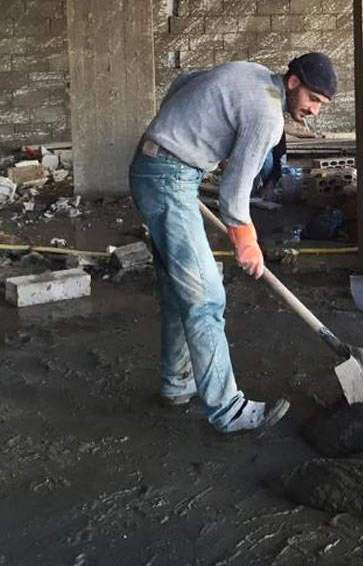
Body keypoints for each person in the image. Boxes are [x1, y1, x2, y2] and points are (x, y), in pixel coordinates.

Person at [129, 54, 337, 433]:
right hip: (170, 178)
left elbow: (183, 83)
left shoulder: (252, 72)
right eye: (313, 99)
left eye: (321, 104)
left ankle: (178, 383)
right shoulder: (268, 117)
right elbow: (235, 190)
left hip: (154, 165)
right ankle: (228, 411)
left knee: (180, 290)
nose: (314, 110)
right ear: (293, 82)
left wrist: (182, 133)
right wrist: (246, 239)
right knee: (207, 298)